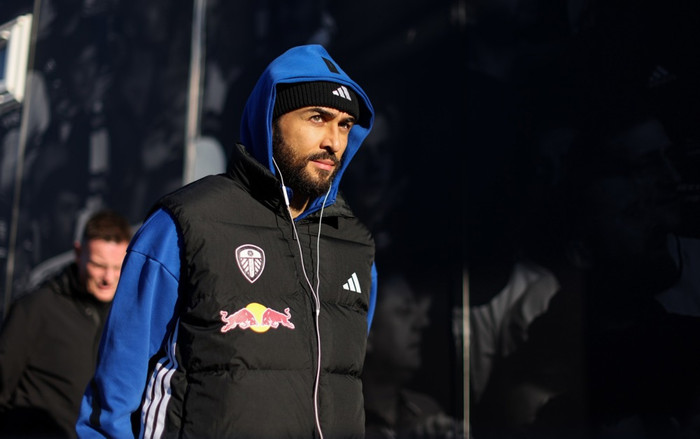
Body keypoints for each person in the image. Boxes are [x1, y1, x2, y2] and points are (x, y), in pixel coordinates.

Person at [77, 44, 377, 438]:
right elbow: (112, 401)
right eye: (317, 118)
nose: (333, 142)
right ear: (270, 118)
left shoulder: (354, 245)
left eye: (345, 125)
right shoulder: (187, 222)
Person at [0, 209, 132, 438]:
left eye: (118, 267)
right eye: (99, 265)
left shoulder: (128, 317)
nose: (108, 278)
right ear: (78, 253)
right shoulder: (36, 308)